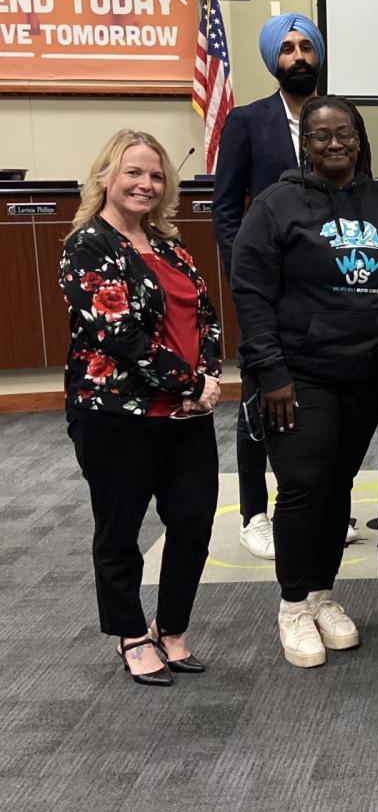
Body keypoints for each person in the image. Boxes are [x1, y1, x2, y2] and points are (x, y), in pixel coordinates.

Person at [231, 96, 378, 668]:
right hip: (298, 375)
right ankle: (292, 604)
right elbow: (252, 294)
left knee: (339, 483)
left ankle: (323, 595)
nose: (334, 144)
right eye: (321, 136)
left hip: (367, 373)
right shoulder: (275, 206)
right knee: (302, 485)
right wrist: (270, 373)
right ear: (305, 145)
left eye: (345, 134)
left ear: (360, 140)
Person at [60, 130, 223, 686]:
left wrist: (210, 374)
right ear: (106, 176)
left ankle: (171, 629)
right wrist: (188, 381)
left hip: (185, 417)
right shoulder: (87, 245)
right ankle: (131, 634)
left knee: (194, 521)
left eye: (155, 175)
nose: (145, 184)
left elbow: (205, 315)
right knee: (120, 528)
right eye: (132, 172)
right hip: (115, 415)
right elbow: (120, 335)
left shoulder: (172, 246)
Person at [211, 12, 355, 560]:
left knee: (324, 408)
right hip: (266, 285)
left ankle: (323, 507)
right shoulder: (248, 121)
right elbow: (226, 209)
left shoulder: (339, 118)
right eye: (288, 49)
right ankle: (255, 511)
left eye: (306, 47)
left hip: (329, 288)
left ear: (318, 54)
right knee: (258, 398)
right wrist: (243, 274)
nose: (298, 57)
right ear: (274, 60)